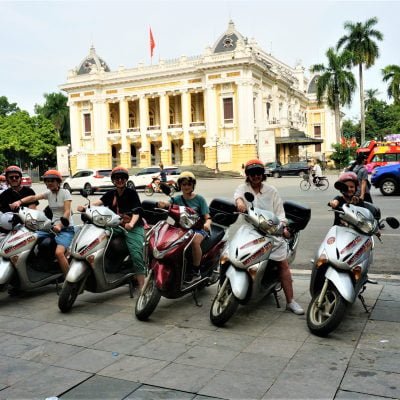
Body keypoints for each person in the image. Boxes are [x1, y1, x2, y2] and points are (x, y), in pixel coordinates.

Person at [234, 159, 304, 315]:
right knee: (233, 253)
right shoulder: (242, 188)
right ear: (248, 175)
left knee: (283, 265)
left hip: (271, 233)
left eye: (258, 173)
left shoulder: (272, 191)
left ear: (263, 174)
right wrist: (240, 204)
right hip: (250, 230)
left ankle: (290, 301)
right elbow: (238, 198)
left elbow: (281, 215)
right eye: (252, 173)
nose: (256, 176)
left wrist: (282, 228)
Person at [77, 166, 145, 289]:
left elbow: (137, 212)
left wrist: (131, 224)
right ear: (113, 180)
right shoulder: (110, 193)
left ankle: (142, 286)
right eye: (117, 178)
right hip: (116, 225)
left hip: (132, 227)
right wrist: (85, 208)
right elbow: (98, 203)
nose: (119, 180)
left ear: (126, 179)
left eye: (122, 178)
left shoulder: (131, 193)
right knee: (97, 238)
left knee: (136, 254)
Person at [9, 169, 74, 276]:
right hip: (52, 227)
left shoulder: (65, 193)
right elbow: (34, 197)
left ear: (58, 182)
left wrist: (60, 225)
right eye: (47, 181)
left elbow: (67, 212)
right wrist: (19, 202)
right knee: (28, 238)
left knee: (59, 253)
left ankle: (70, 280)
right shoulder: (49, 193)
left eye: (52, 181)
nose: (49, 183)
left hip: (66, 228)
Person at [158, 171, 212, 283]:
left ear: (193, 185)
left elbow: (207, 217)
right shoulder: (177, 199)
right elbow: (168, 204)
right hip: (182, 229)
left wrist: (207, 224)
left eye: (189, 184)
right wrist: (162, 204)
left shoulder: (199, 199)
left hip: (198, 229)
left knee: (194, 241)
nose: (186, 187)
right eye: (184, 184)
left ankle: (196, 271)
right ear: (180, 186)